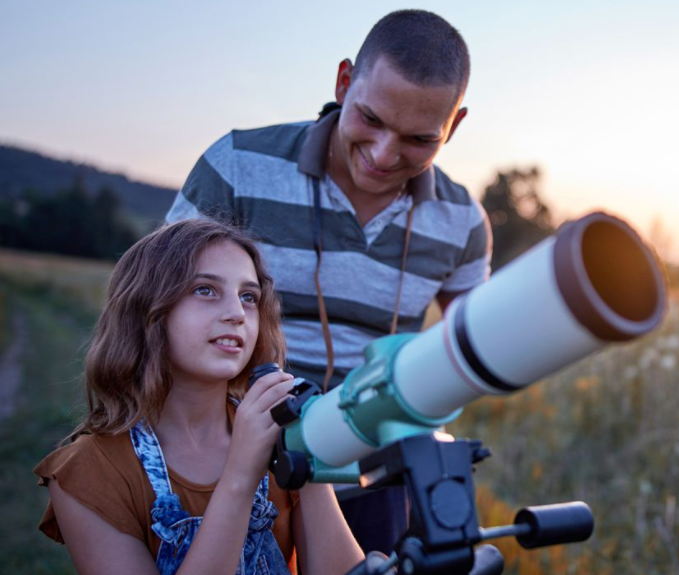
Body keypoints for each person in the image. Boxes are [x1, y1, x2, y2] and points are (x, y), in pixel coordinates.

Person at [165, 9, 492, 554]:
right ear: (344, 82)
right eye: (370, 119)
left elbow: (469, 352)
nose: (385, 154)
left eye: (418, 138)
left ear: (453, 126)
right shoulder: (238, 166)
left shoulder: (463, 222)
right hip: (232, 453)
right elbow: (158, 307)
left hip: (374, 468)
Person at [34, 219, 364, 575]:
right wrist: (240, 473)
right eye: (205, 290)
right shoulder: (89, 474)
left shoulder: (278, 432)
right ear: (145, 309)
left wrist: (307, 455)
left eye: (249, 297)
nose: (237, 314)